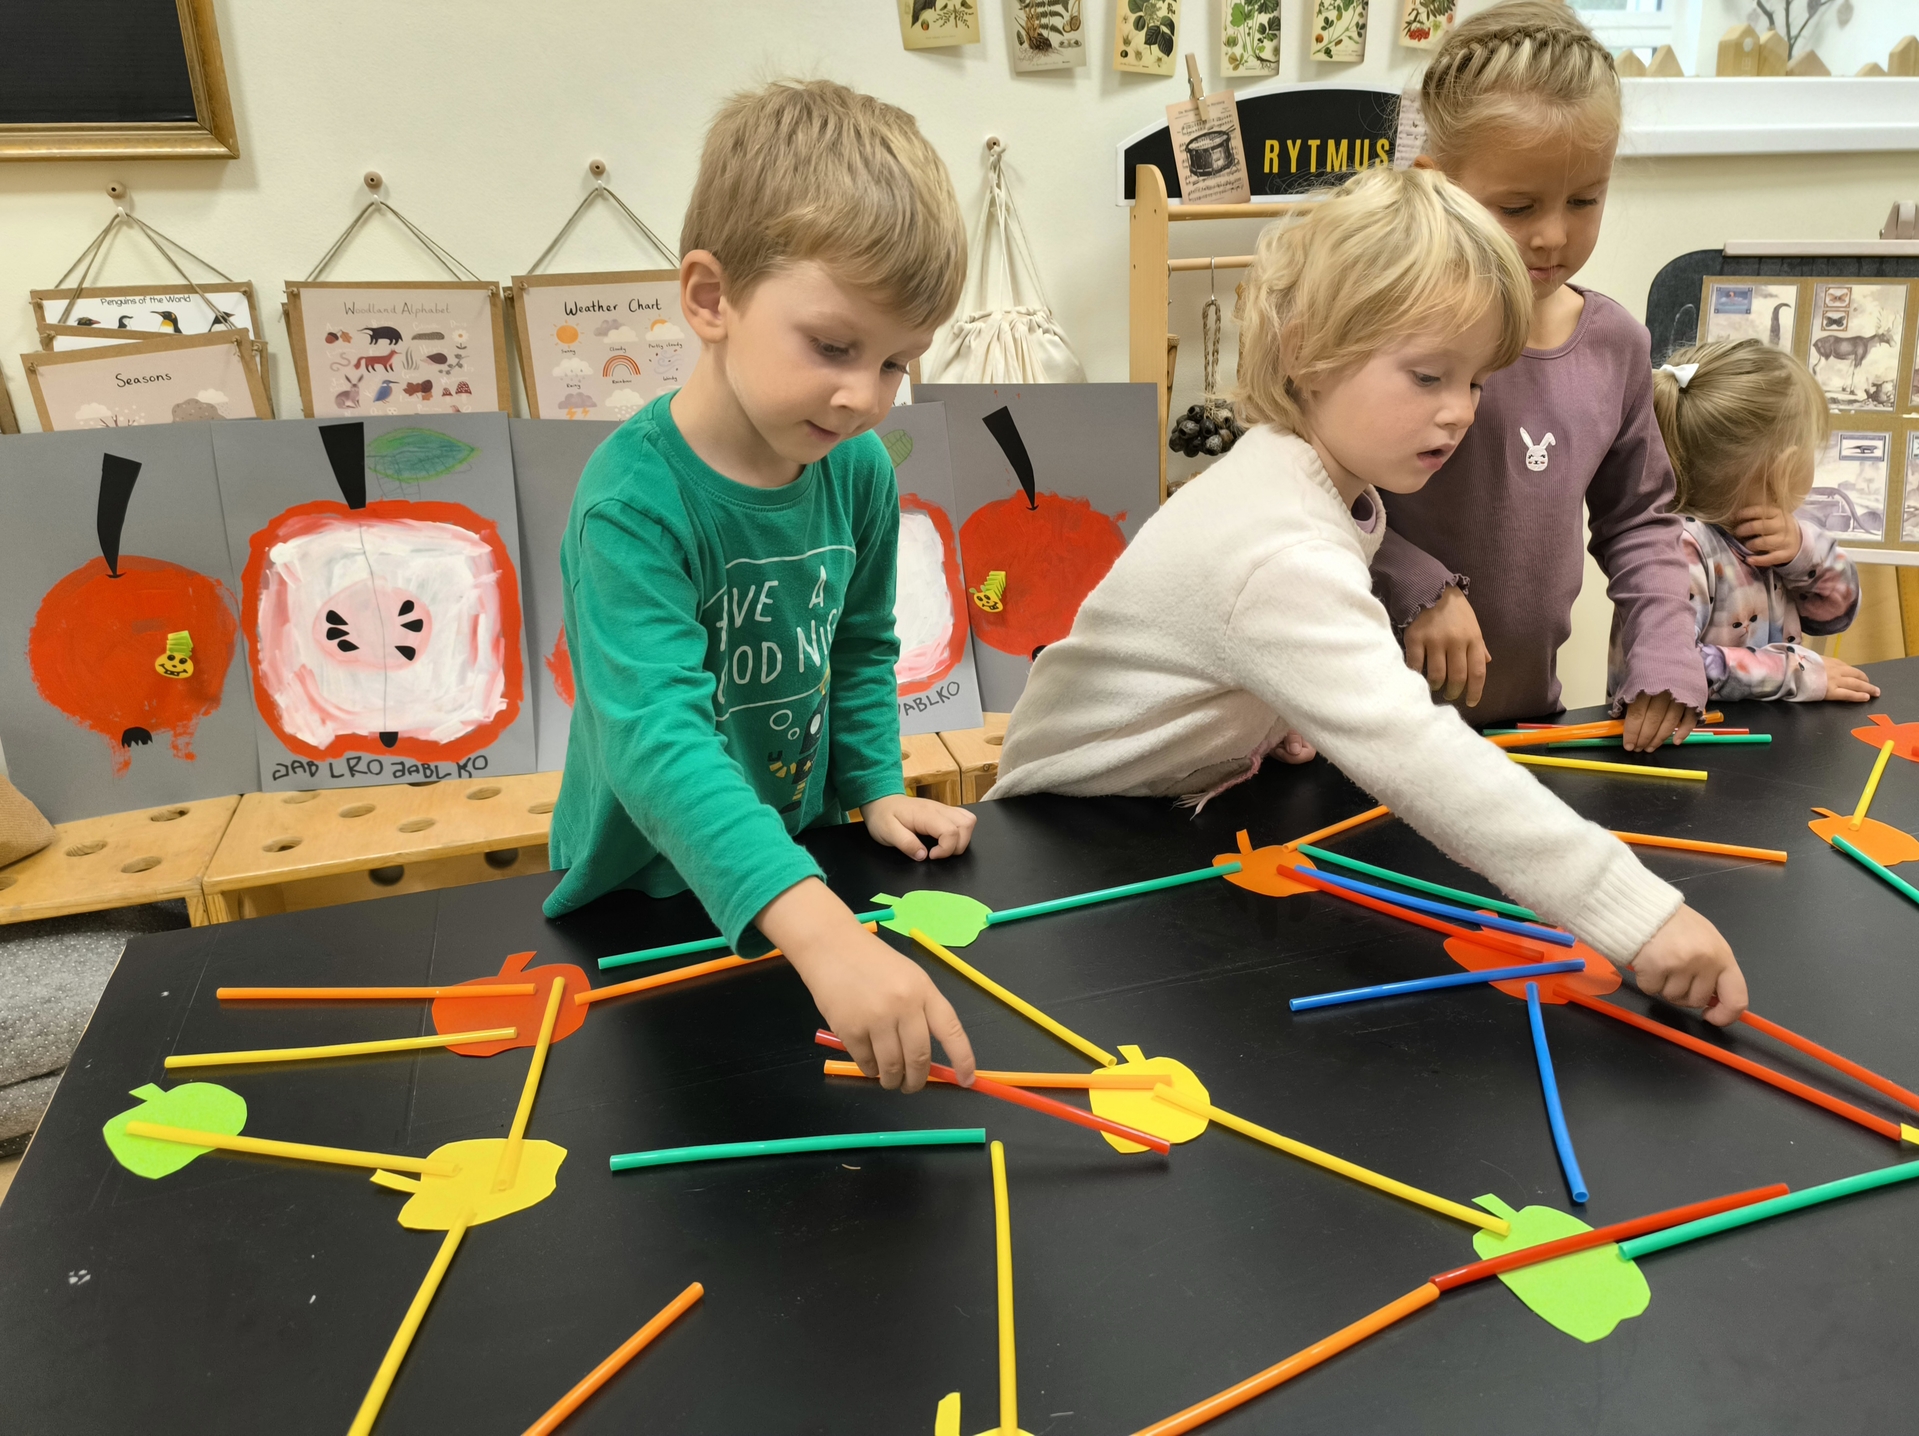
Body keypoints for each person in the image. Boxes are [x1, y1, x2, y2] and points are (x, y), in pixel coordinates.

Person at [991, 165, 1748, 1024]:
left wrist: (1262, 711)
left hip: (1162, 814)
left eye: (1474, 381)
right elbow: (1417, 754)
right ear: (1308, 351)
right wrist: (1641, 918)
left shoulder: (1316, 481)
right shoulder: (1277, 545)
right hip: (1062, 844)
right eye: (1428, 377)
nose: (1459, 412)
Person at [542, 80, 979, 1091]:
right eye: (832, 346)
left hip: (793, 858)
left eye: (896, 363)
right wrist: (822, 934)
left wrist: (874, 786)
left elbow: (859, 644)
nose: (862, 396)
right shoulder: (629, 504)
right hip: (644, 888)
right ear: (710, 298)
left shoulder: (854, 469)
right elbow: (656, 739)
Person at [1373, 0, 1706, 749]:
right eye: (1517, 207)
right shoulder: (1380, 329)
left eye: (1585, 200)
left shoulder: (1615, 345)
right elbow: (1308, 495)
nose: (1553, 235)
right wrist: (1412, 582)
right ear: (1435, 184)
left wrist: (1663, 643)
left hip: (1523, 730)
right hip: (1361, 736)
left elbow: (1638, 520)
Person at [1635, 340, 1876, 703]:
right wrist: (1795, 672)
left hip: (1758, 729)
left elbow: (1837, 611)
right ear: (1785, 468)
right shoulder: (1678, 549)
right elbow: (1671, 667)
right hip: (1691, 736)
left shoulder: (1784, 534)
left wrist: (1802, 554)